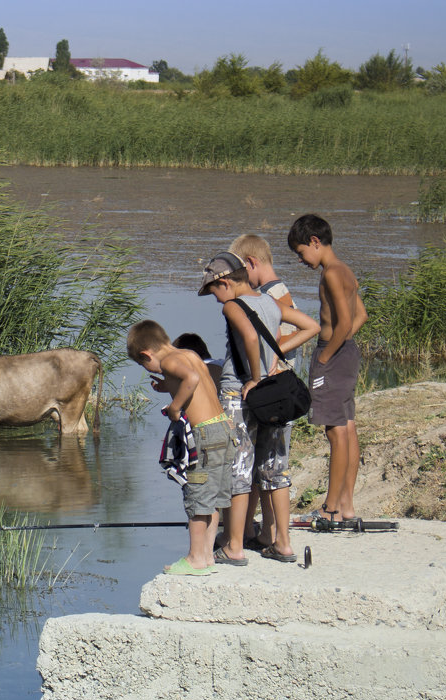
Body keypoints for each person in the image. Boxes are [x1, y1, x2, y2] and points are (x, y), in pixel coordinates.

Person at [199, 252, 319, 563]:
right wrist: (276, 358)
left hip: (240, 393)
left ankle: (234, 546)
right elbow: (311, 326)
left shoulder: (232, 305)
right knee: (275, 470)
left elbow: (251, 337)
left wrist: (255, 376)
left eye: (213, 291)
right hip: (274, 395)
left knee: (239, 469)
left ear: (225, 282)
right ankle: (283, 543)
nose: (215, 300)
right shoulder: (269, 302)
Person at [127, 319, 235, 575]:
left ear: (146, 354)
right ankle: (207, 556)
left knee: (197, 495)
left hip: (205, 435)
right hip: (223, 430)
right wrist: (167, 385)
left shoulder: (167, 361)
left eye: (144, 364)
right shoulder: (188, 354)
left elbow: (191, 378)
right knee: (212, 499)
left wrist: (175, 406)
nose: (151, 368)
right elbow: (199, 377)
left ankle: (195, 557)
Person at [228, 233, 309, 546]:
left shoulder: (272, 294)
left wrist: (269, 361)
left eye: (239, 271)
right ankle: (264, 532)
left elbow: (290, 332)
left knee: (269, 466)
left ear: (251, 264)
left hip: (272, 389)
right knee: (270, 465)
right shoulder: (271, 292)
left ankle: (267, 532)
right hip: (276, 389)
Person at [287, 214, 368, 525]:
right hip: (346, 355)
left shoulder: (331, 274)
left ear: (315, 242)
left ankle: (330, 508)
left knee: (335, 432)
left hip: (332, 357)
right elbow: (361, 315)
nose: (301, 259)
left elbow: (346, 322)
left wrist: (324, 358)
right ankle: (346, 504)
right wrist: (344, 344)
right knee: (347, 427)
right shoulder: (346, 271)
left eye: (301, 252)